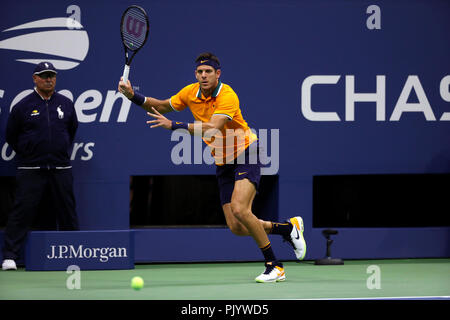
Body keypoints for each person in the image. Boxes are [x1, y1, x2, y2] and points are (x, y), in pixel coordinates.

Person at [118, 52, 306, 282]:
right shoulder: (190, 92)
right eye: (200, 72)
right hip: (222, 161)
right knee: (236, 227)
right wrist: (132, 96)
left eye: (208, 72)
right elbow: (163, 106)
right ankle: (287, 229)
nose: (204, 75)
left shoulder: (228, 95)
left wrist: (174, 126)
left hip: (247, 152)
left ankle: (274, 265)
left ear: (218, 74)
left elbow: (212, 128)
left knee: (240, 208)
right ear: (195, 74)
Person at [2, 62, 79, 271]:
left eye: (52, 75)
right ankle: (10, 256)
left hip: (60, 167)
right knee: (22, 211)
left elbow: (71, 130)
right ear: (35, 79)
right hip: (31, 169)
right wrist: (29, 152)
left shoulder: (66, 103)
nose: (49, 79)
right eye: (44, 76)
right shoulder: (23, 106)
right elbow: (11, 135)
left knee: (67, 212)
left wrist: (58, 149)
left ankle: (75, 253)